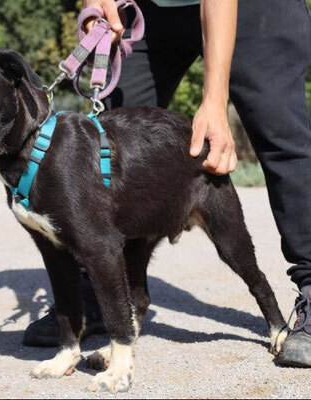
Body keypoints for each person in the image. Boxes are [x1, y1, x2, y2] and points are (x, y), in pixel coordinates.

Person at [24, 0, 311, 367]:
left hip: (253, 8)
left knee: (284, 140)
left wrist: (214, 100)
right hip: (151, 10)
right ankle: (103, 292)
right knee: (112, 140)